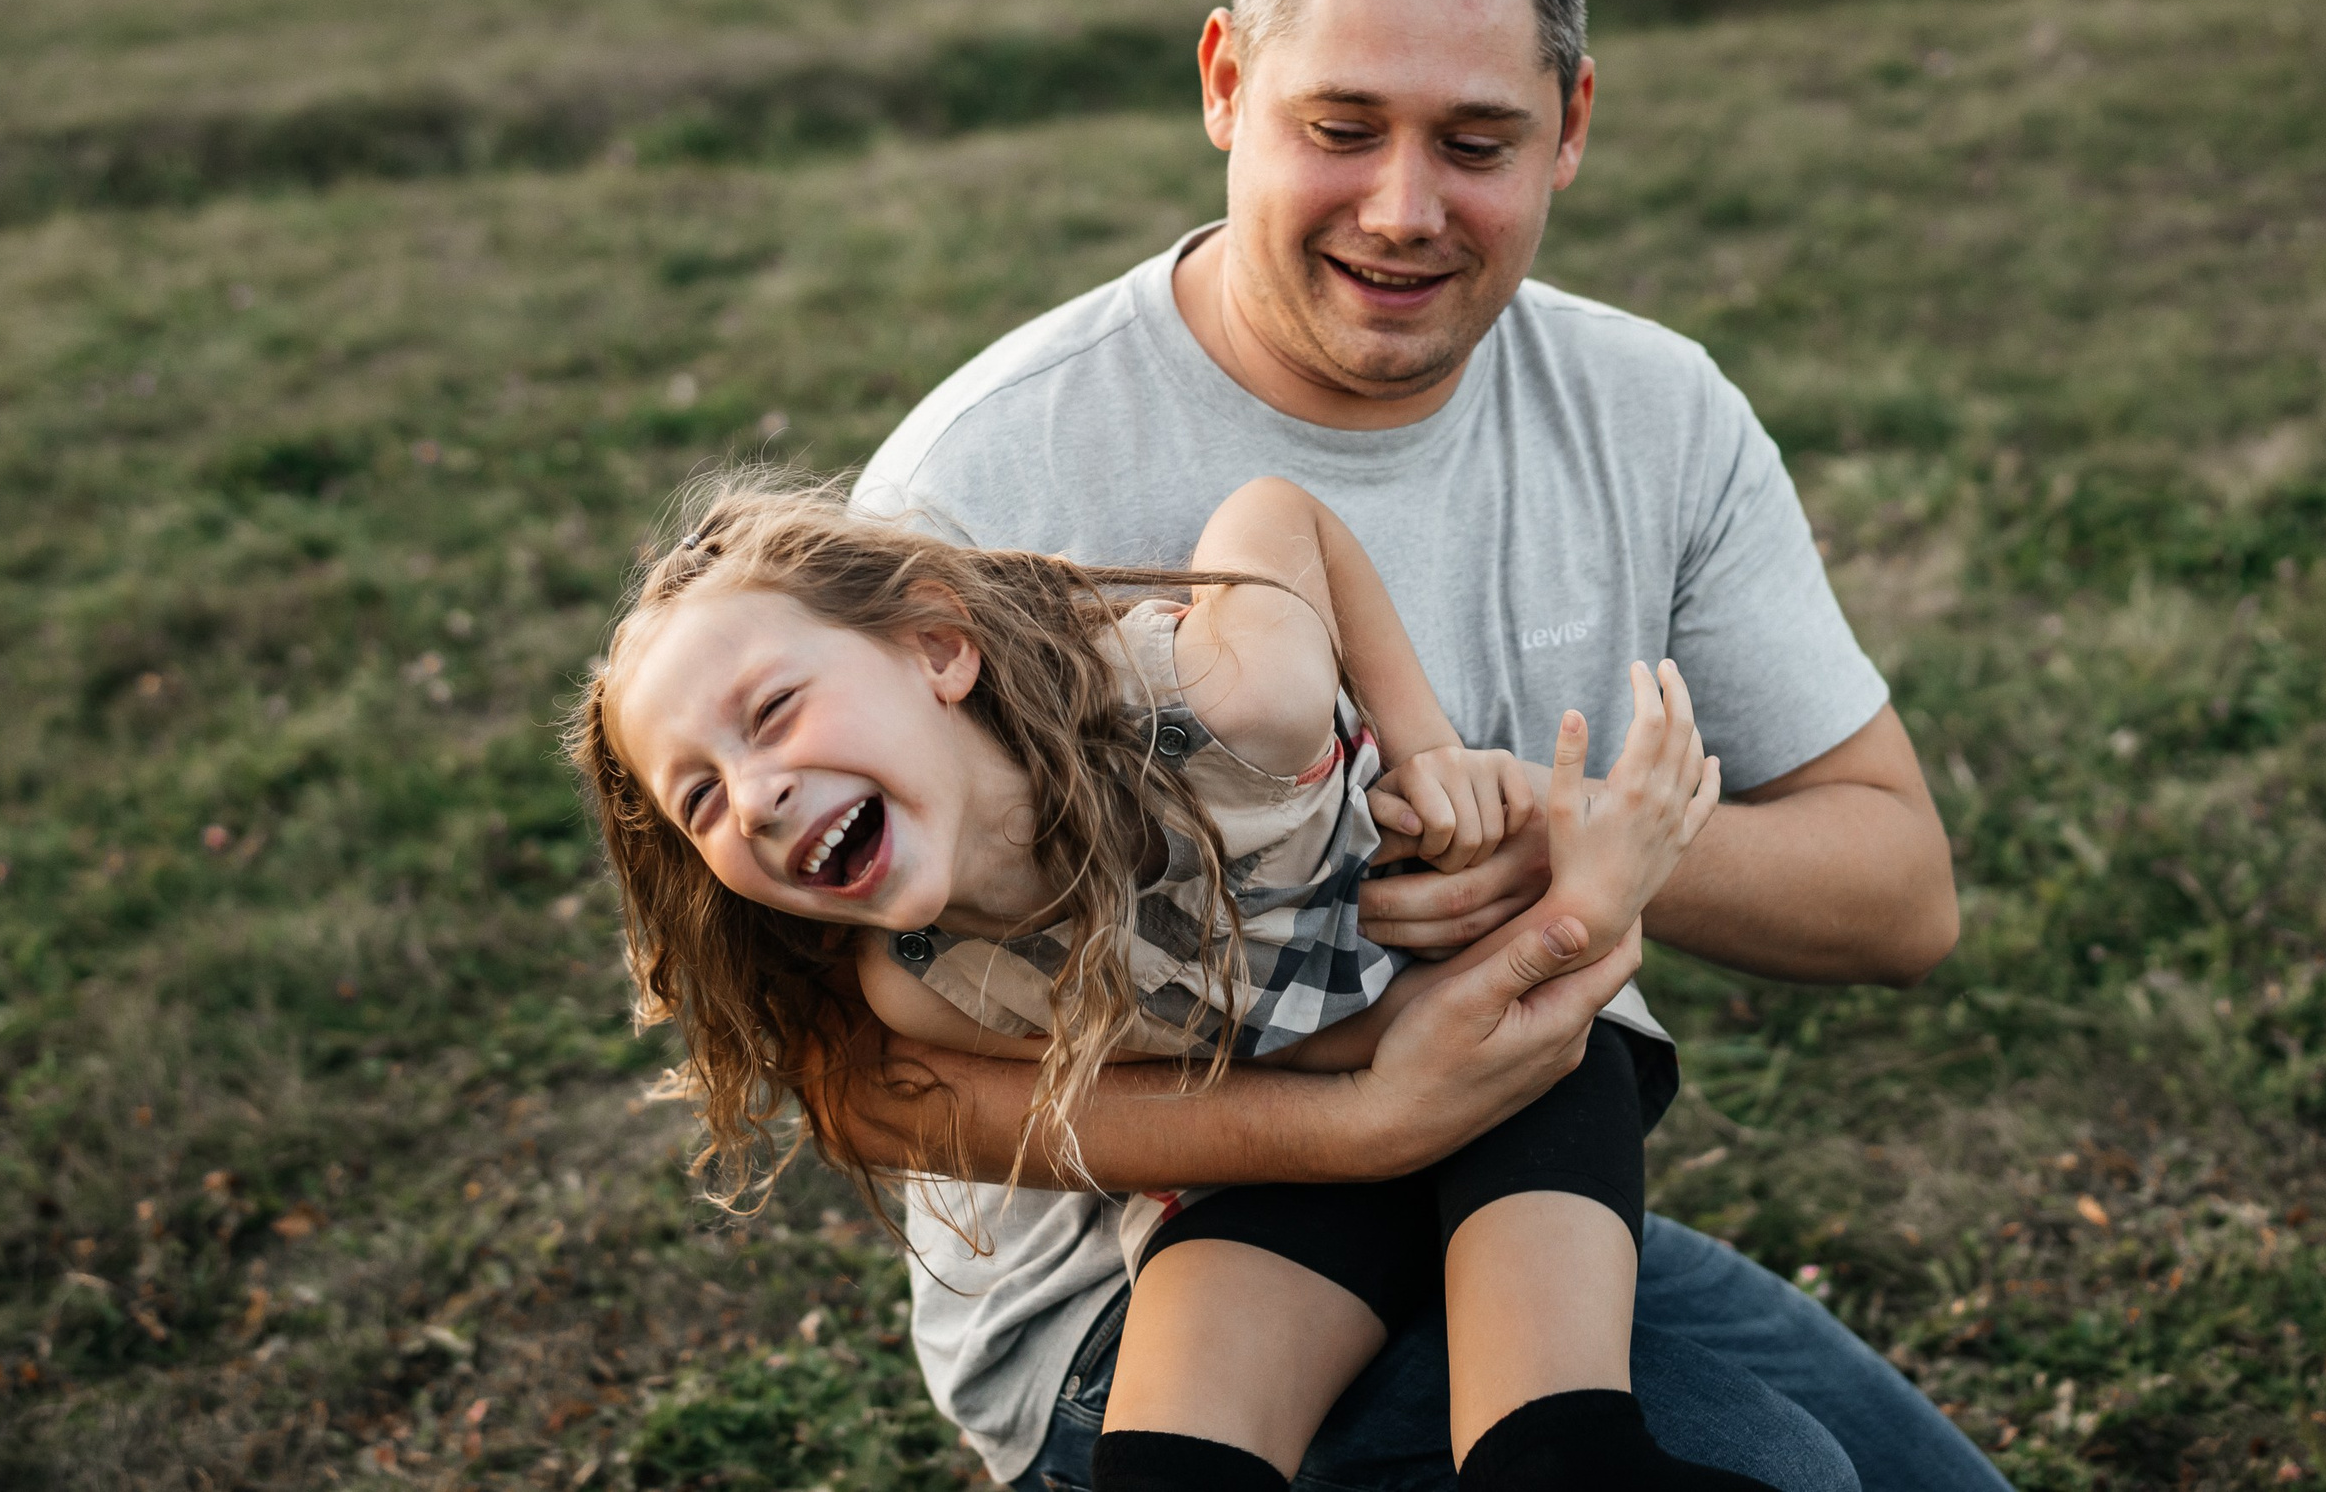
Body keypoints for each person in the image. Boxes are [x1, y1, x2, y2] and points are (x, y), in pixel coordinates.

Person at [845, 0, 2014, 1492]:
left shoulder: (1652, 412)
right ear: (1225, 85)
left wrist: (1560, 836)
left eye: (1477, 141)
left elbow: (1900, 893)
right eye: (1341, 128)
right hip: (1126, 1300)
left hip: (1496, 1185)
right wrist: (1348, 1121)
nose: (1404, 210)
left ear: (1574, 126)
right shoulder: (983, 486)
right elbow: (858, 1065)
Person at [575, 469, 1738, 1490]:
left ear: (937, 647)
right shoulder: (930, 986)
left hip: (1508, 1073)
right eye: (702, 799)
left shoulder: (1231, 704)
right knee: (1170, 1466)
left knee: (1553, 1447)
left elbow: (1283, 514)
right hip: (1284, 1138)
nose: (757, 791)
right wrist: (1371, 1095)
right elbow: (1218, 1079)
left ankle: (1554, 1446)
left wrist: (1435, 754)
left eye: (772, 712)